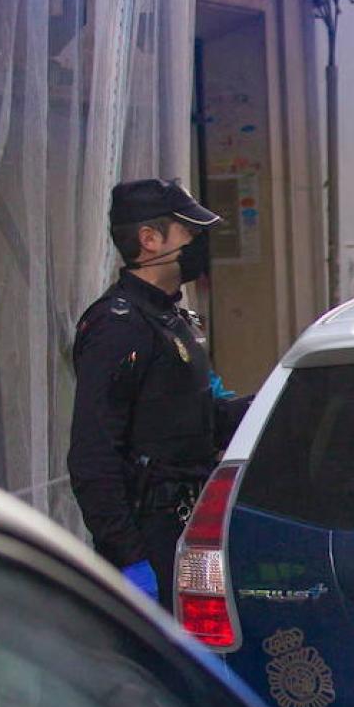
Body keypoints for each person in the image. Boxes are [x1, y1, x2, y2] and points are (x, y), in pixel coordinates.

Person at [69, 179, 247, 608]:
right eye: (187, 231)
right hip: (150, 534)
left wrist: (274, 410)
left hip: (189, 521)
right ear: (149, 240)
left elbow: (200, 419)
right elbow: (93, 456)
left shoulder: (170, 318)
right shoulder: (118, 326)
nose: (198, 242)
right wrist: (129, 558)